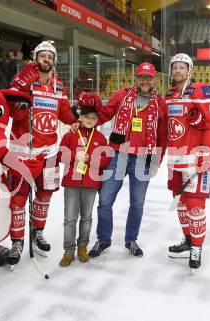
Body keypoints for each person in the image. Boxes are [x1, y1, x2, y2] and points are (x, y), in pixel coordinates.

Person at [81, 62, 167, 258]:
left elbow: (162, 135)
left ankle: (131, 240)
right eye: (142, 77)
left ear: (154, 80)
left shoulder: (160, 103)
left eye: (149, 77)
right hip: (117, 154)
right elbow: (104, 114)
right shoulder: (122, 95)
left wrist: (157, 160)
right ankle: (103, 239)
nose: (145, 81)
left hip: (143, 157)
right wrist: (84, 120)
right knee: (104, 201)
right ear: (136, 78)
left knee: (137, 203)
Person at [6, 41, 79, 265]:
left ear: (54, 61)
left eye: (50, 56)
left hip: (49, 153)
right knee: (18, 199)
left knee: (45, 196)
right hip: (22, 152)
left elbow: (65, 115)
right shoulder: (23, 82)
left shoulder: (59, 87)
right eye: (42, 55)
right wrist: (20, 92)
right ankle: (17, 241)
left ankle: (37, 232)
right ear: (35, 58)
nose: (46, 59)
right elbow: (13, 114)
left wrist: (78, 115)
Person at [165, 53, 210, 270]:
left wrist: (205, 152)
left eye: (182, 67)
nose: (178, 71)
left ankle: (197, 248)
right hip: (175, 161)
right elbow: (168, 129)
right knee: (181, 202)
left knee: (195, 206)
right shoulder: (170, 95)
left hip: (194, 160)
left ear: (189, 70)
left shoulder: (199, 90)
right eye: (175, 67)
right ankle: (188, 240)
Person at [57, 104, 111, 267]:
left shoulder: (101, 138)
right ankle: (68, 251)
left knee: (86, 218)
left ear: (97, 121)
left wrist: (93, 159)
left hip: (91, 183)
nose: (90, 120)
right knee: (70, 219)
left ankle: (82, 246)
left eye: (93, 118)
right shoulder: (71, 135)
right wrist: (74, 155)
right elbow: (60, 155)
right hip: (72, 183)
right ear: (80, 117)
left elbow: (106, 159)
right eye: (87, 117)